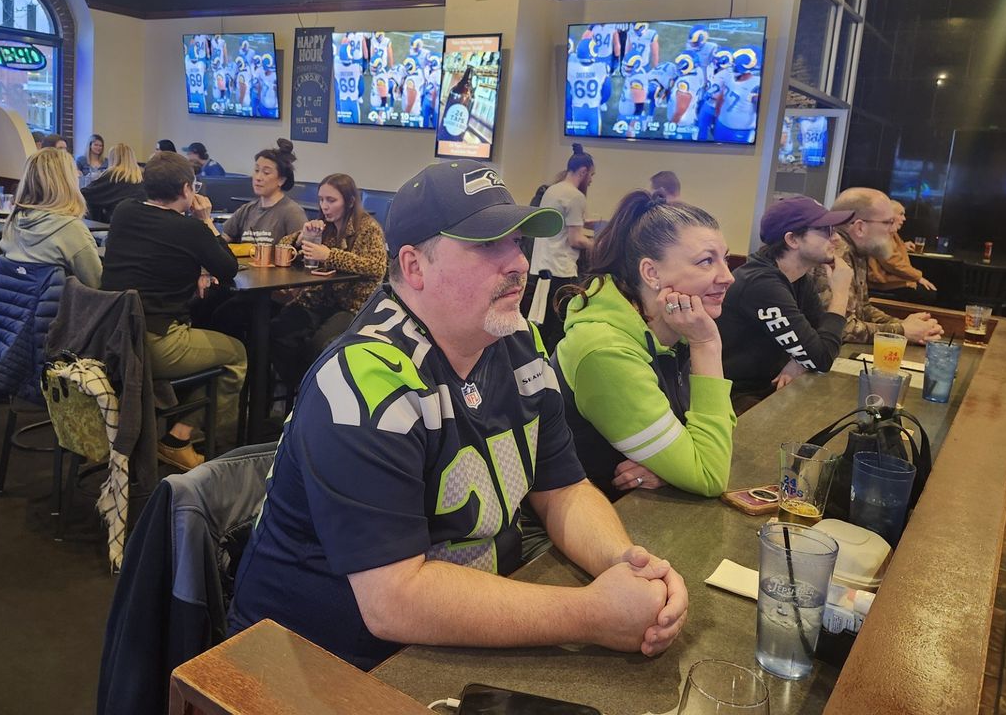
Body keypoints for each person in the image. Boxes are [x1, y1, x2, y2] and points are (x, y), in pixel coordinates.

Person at [227, 159, 689, 671]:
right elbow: (394, 600)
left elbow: (563, 488)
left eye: (517, 242)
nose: (518, 262)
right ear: (414, 266)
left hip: (457, 636)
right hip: (319, 661)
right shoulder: (366, 377)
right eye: (489, 245)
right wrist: (594, 613)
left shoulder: (517, 341)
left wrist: (625, 565)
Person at [553, 191, 736, 500]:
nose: (728, 276)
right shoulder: (605, 351)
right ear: (652, 273)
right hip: (598, 517)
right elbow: (710, 475)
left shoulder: (676, 327)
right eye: (706, 261)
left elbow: (718, 437)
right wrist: (706, 345)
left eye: (725, 259)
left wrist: (672, 464)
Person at [100, 151, 247, 471]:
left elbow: (156, 255)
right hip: (155, 342)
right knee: (236, 355)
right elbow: (228, 268)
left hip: (111, 336)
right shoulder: (191, 229)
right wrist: (206, 221)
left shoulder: (124, 211)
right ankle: (179, 439)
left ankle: (165, 426)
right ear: (186, 189)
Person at [717, 196, 856, 410]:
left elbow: (822, 339)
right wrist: (840, 294)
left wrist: (800, 361)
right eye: (825, 230)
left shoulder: (798, 278)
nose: (836, 238)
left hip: (771, 388)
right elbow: (822, 358)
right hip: (733, 397)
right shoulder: (761, 284)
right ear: (792, 240)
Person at [271, 173, 387, 384]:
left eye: (331, 200)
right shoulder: (324, 227)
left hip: (352, 306)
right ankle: (299, 385)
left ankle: (310, 390)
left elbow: (376, 266)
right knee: (277, 331)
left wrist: (329, 255)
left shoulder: (368, 228)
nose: (324, 206)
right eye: (322, 200)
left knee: (320, 345)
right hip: (318, 300)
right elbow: (282, 248)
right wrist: (301, 238)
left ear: (349, 201)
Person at [813, 188, 943, 345]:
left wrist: (905, 325)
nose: (893, 230)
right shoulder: (835, 254)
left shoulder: (858, 251)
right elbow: (842, 329)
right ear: (860, 228)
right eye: (888, 222)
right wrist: (902, 331)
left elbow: (863, 308)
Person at [0, 148, 102, 288]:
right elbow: (95, 283)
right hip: (55, 302)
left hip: (6, 300)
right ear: (67, 182)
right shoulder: (71, 229)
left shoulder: (13, 222)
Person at [526, 144, 595, 352]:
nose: (591, 181)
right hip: (561, 271)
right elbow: (575, 240)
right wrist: (598, 245)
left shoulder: (552, 190)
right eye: (591, 175)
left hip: (542, 268)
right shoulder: (575, 196)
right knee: (559, 330)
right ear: (583, 171)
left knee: (542, 327)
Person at [219, 138, 305, 244]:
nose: (258, 177)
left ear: (281, 180)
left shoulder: (292, 212)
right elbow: (224, 239)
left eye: (266, 172)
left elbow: (301, 248)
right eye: (256, 170)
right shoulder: (246, 210)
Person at [867, 201, 937, 303]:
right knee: (928, 293)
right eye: (901, 214)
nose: (904, 218)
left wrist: (903, 246)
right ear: (890, 215)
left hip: (891, 280)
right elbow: (892, 262)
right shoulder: (883, 234)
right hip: (883, 282)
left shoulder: (890, 233)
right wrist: (918, 277)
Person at [81, 143, 146, 222]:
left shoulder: (113, 176)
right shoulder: (140, 176)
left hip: (114, 223)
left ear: (113, 158)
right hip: (138, 222)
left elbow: (86, 193)